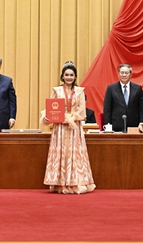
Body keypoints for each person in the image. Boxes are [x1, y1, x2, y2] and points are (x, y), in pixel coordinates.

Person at [41, 61, 95, 194]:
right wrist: (47, 118)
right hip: (59, 128)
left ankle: (75, 182)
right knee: (60, 153)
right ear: (62, 76)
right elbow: (51, 108)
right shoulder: (57, 90)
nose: (69, 77)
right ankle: (59, 183)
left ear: (75, 77)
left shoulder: (80, 91)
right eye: (67, 75)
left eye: (71, 75)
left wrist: (70, 118)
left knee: (74, 154)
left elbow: (82, 111)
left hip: (74, 128)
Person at [102, 64, 143, 131]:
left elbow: (142, 108)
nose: (124, 75)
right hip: (116, 125)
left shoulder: (138, 89)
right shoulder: (111, 88)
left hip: (134, 125)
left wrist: (141, 123)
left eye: (126, 73)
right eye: (122, 73)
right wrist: (108, 125)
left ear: (130, 75)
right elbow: (107, 108)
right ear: (118, 74)